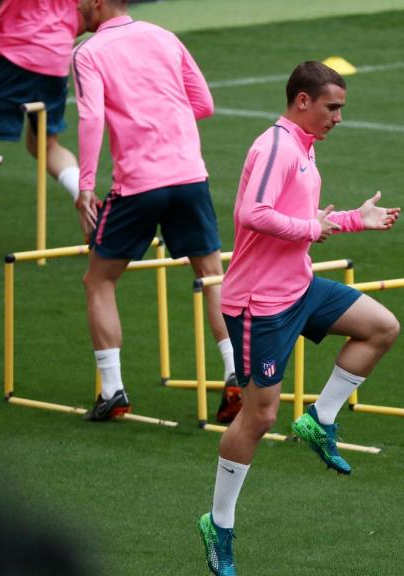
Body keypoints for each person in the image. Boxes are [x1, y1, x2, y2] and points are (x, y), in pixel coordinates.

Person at [198, 61, 401, 576]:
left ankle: (320, 419)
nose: (338, 117)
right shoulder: (277, 146)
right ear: (303, 101)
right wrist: (312, 226)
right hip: (258, 304)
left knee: (382, 327)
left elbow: (311, 223)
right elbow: (253, 213)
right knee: (259, 417)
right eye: (333, 107)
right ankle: (218, 524)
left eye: (341, 109)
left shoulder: (305, 148)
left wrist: (357, 220)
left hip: (300, 288)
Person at [73, 0, 239, 422]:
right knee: (211, 274)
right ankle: (236, 372)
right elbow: (204, 104)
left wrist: (86, 185)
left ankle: (112, 390)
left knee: (99, 279)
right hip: (189, 175)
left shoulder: (89, 53)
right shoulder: (164, 36)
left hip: (138, 184)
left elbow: (91, 118)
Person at [0, 0, 83, 262]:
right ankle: (87, 199)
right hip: (55, 57)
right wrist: (59, 29)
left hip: (13, 54)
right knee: (45, 145)